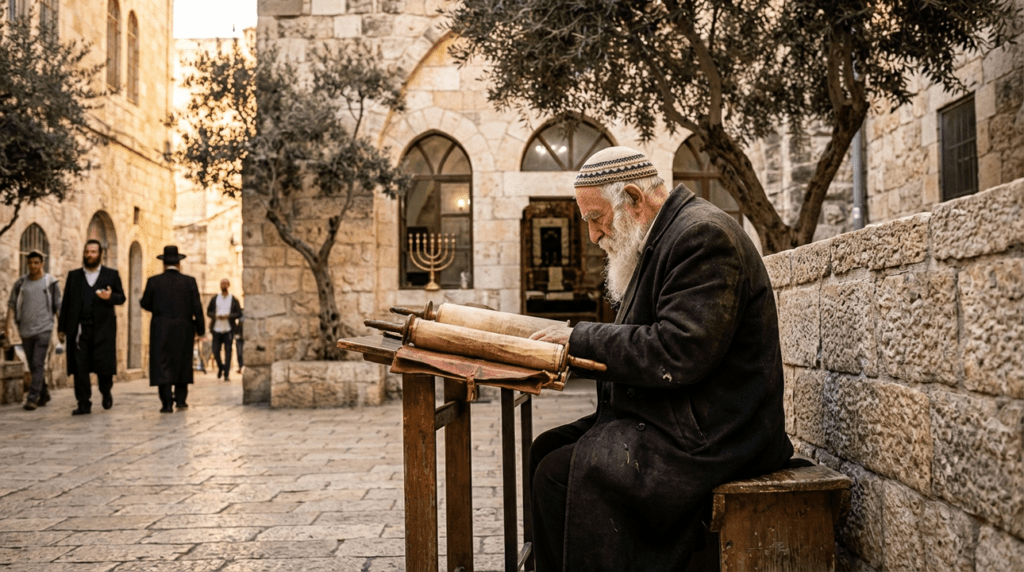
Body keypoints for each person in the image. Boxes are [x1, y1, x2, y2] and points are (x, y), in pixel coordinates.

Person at [528, 147, 793, 571]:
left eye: (596, 218)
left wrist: (578, 338)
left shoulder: (703, 236)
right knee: (546, 449)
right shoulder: (664, 236)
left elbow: (679, 351)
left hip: (720, 433)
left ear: (632, 198)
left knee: (559, 474)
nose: (594, 235)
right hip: (681, 417)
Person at [58, 240, 126, 415]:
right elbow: (66, 303)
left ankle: (105, 391)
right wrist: (62, 328)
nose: (90, 255)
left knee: (103, 365)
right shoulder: (74, 276)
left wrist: (110, 297)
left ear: (100, 254)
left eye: (93, 252)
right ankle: (83, 402)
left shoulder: (111, 275)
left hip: (103, 329)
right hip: (79, 329)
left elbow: (121, 298)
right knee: (80, 367)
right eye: (87, 252)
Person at [140, 246, 204, 413]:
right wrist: (201, 329)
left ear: (163, 264)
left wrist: (159, 310)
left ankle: (166, 402)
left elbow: (144, 303)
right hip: (184, 327)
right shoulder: (189, 281)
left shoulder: (153, 281)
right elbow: (197, 307)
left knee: (162, 362)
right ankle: (181, 400)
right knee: (182, 361)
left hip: (160, 327)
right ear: (179, 263)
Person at [5, 251, 62, 411]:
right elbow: (11, 304)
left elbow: (58, 305)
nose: (33, 266)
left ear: (42, 264)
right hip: (25, 330)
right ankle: (44, 392)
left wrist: (61, 328)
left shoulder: (50, 282)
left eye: (36, 263)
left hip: (44, 329)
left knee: (37, 363)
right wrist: (7, 327)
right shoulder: (21, 283)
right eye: (30, 263)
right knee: (32, 365)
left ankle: (32, 398)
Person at [206, 278, 241, 381]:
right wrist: (215, 316)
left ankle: (226, 373)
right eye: (222, 284)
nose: (223, 285)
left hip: (228, 329)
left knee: (228, 351)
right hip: (217, 328)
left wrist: (229, 316)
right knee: (215, 350)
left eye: (225, 284)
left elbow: (239, 313)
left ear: (228, 285)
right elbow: (209, 311)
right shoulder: (215, 298)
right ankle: (221, 366)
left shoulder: (233, 299)